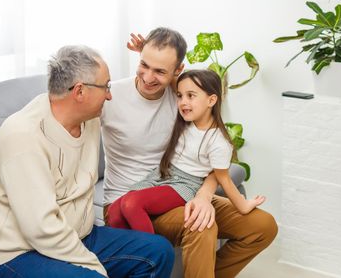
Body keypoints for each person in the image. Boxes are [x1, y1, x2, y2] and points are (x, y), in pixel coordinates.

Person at [0, 45, 174, 278]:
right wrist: (93, 266)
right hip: (19, 253)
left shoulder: (88, 119)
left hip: (79, 235)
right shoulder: (22, 137)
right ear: (80, 92)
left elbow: (143, 104)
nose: (110, 95)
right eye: (106, 87)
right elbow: (41, 229)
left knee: (159, 252)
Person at [101, 28, 278, 278]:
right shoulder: (110, 95)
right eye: (144, 65)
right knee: (201, 225)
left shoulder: (183, 99)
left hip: (180, 190)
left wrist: (205, 195)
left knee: (263, 226)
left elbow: (213, 153)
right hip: (126, 200)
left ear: (177, 71)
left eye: (160, 71)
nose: (148, 77)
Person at [107, 69, 267, 233]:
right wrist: (153, 61)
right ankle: (130, 255)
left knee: (131, 203)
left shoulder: (218, 142)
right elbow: (170, 77)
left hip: (185, 184)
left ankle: (154, 253)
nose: (183, 102)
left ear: (211, 100)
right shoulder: (185, 121)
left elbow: (224, 179)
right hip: (162, 175)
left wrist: (244, 206)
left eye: (190, 96)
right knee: (114, 212)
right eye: (180, 96)